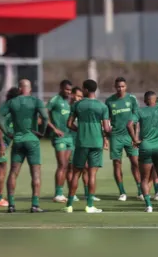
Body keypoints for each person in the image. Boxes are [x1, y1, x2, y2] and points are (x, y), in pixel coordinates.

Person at [0, 79, 49, 213]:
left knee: (13, 172)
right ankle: (35, 205)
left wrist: (8, 133)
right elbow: (45, 117)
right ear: (29, 89)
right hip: (32, 140)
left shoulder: (12, 102)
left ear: (19, 89)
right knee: (35, 173)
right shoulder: (36, 101)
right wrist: (42, 132)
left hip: (18, 140)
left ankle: (11, 205)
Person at [64, 79, 111, 214]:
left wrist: (80, 130)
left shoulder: (77, 105)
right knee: (92, 174)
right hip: (96, 143)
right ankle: (90, 205)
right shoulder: (102, 107)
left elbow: (69, 124)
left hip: (81, 142)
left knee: (76, 173)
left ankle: (69, 205)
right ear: (95, 90)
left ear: (85, 89)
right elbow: (107, 128)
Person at [105, 77, 142, 201]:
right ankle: (122, 192)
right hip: (116, 136)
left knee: (135, 163)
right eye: (118, 87)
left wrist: (135, 137)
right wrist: (105, 136)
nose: (120, 89)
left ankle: (140, 190)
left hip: (129, 136)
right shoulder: (109, 101)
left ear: (126, 87)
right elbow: (106, 120)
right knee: (117, 163)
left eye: (122, 86)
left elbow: (137, 118)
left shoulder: (132, 99)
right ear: (115, 87)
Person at [67, 87, 100, 202]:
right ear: (72, 95)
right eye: (77, 96)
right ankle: (72, 195)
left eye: (81, 96)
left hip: (83, 141)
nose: (79, 98)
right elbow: (69, 124)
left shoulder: (83, 107)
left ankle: (87, 194)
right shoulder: (73, 107)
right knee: (73, 169)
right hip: (72, 141)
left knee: (86, 169)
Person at [46, 80, 74, 203]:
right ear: (61, 88)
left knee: (66, 166)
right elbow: (43, 115)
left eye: (70, 90)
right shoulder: (55, 100)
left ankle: (61, 193)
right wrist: (54, 129)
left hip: (69, 137)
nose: (68, 92)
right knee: (62, 165)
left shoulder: (69, 102)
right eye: (66, 89)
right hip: (59, 137)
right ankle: (58, 194)